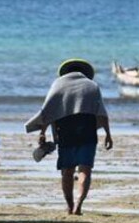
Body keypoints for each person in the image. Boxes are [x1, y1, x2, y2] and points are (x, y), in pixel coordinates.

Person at [25, 59, 112, 215]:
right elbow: (101, 112)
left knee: (67, 171)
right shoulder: (92, 86)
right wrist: (108, 134)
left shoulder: (58, 85)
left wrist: (42, 132)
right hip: (88, 131)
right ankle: (78, 205)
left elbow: (47, 112)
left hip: (66, 131)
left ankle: (69, 205)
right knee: (85, 170)